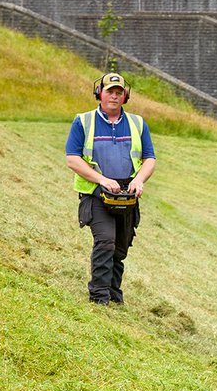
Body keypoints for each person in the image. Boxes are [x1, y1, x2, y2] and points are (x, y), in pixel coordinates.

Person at [65, 72, 156, 306]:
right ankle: (99, 297)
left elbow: (149, 159)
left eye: (119, 93)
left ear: (125, 96)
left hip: (127, 195)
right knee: (105, 241)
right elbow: (72, 159)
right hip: (97, 194)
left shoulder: (137, 123)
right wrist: (102, 180)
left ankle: (115, 295)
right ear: (100, 94)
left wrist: (139, 180)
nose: (114, 97)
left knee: (120, 248)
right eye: (110, 92)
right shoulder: (83, 121)